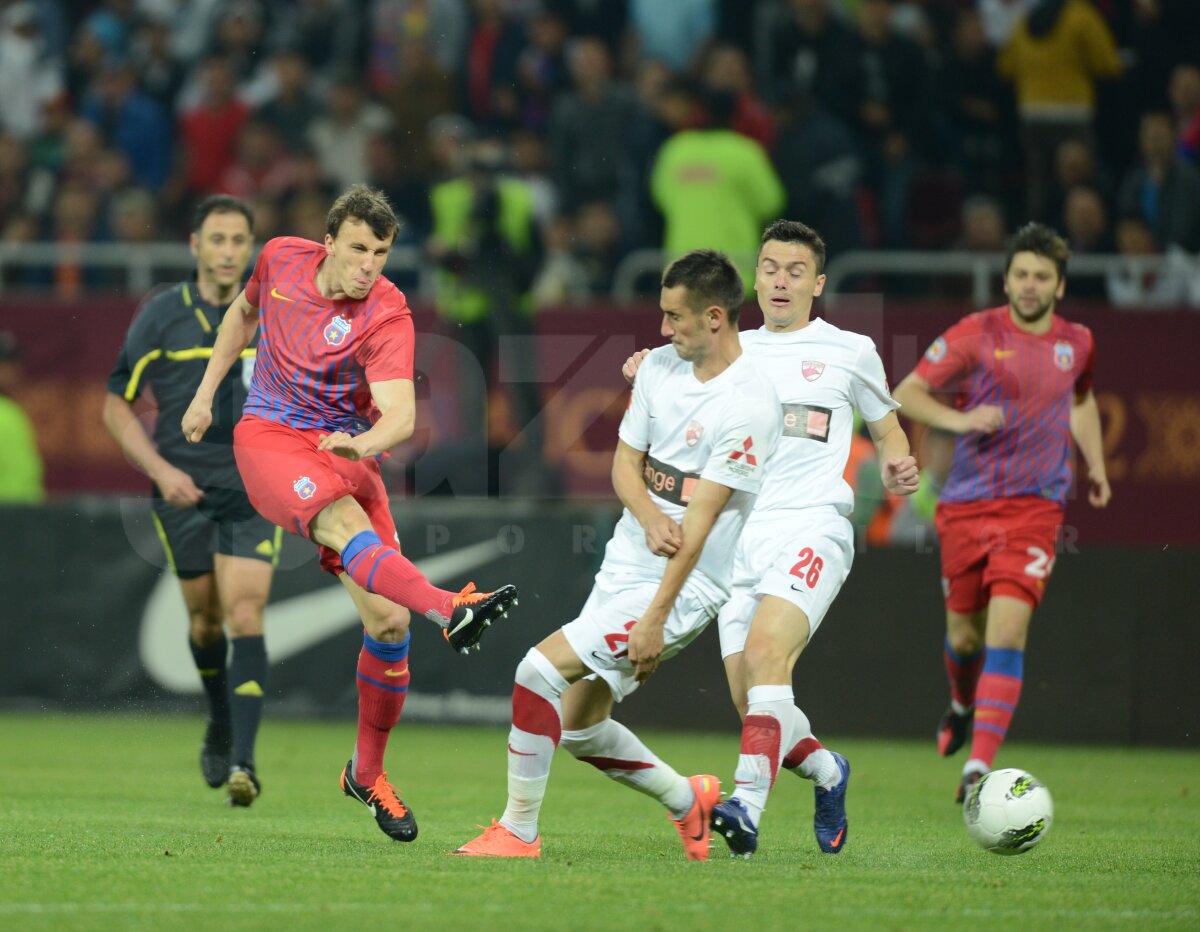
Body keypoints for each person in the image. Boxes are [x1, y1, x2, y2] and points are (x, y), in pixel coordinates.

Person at [180, 185, 519, 842]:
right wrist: (204, 395)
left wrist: (360, 445)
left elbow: (402, 415)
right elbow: (241, 317)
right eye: (359, 248)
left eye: (382, 252)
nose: (369, 264)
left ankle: (365, 774)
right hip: (271, 439)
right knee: (345, 527)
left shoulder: (387, 312)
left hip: (347, 452)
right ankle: (451, 608)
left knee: (389, 622)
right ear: (329, 240)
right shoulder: (279, 257)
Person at [453, 249, 782, 859]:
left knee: (536, 671)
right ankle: (692, 802)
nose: (662, 330)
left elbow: (703, 523)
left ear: (715, 317)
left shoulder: (749, 404)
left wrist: (657, 616)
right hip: (626, 559)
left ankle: (518, 831)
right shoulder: (658, 367)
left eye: (674, 317)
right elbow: (626, 463)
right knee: (578, 724)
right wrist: (651, 514)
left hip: (686, 583)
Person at [623, 220, 920, 858]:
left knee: (765, 657)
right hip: (738, 540)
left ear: (818, 283)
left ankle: (745, 809)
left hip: (813, 524)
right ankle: (827, 772)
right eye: (769, 268)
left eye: (794, 271)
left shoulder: (850, 350)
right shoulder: (728, 350)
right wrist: (642, 367)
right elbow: (671, 385)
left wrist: (898, 459)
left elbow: (889, 426)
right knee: (755, 700)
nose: (780, 281)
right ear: (753, 279)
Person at [892, 222, 1111, 802]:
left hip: (1036, 508)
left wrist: (1097, 466)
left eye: (1042, 276)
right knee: (965, 639)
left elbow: (1082, 402)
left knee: (1008, 632)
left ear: (1059, 284)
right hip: (966, 505)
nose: (1030, 285)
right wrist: (962, 420)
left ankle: (977, 769)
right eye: (1021, 274)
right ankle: (962, 703)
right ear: (1007, 279)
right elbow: (908, 391)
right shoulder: (975, 333)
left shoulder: (1078, 342)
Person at [103, 195, 276, 806]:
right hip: (181, 491)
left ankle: (246, 765)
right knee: (204, 620)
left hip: (254, 489)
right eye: (218, 239)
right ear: (195, 246)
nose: (229, 251)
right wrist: (158, 467)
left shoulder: (273, 314)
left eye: (239, 240)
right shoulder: (162, 315)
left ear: (250, 248)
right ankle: (220, 718)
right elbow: (115, 402)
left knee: (246, 612)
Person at [0, 330, 44, 503]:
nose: (14, 372)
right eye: (5, 365)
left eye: (14, 364)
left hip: (22, 519)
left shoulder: (13, 412)